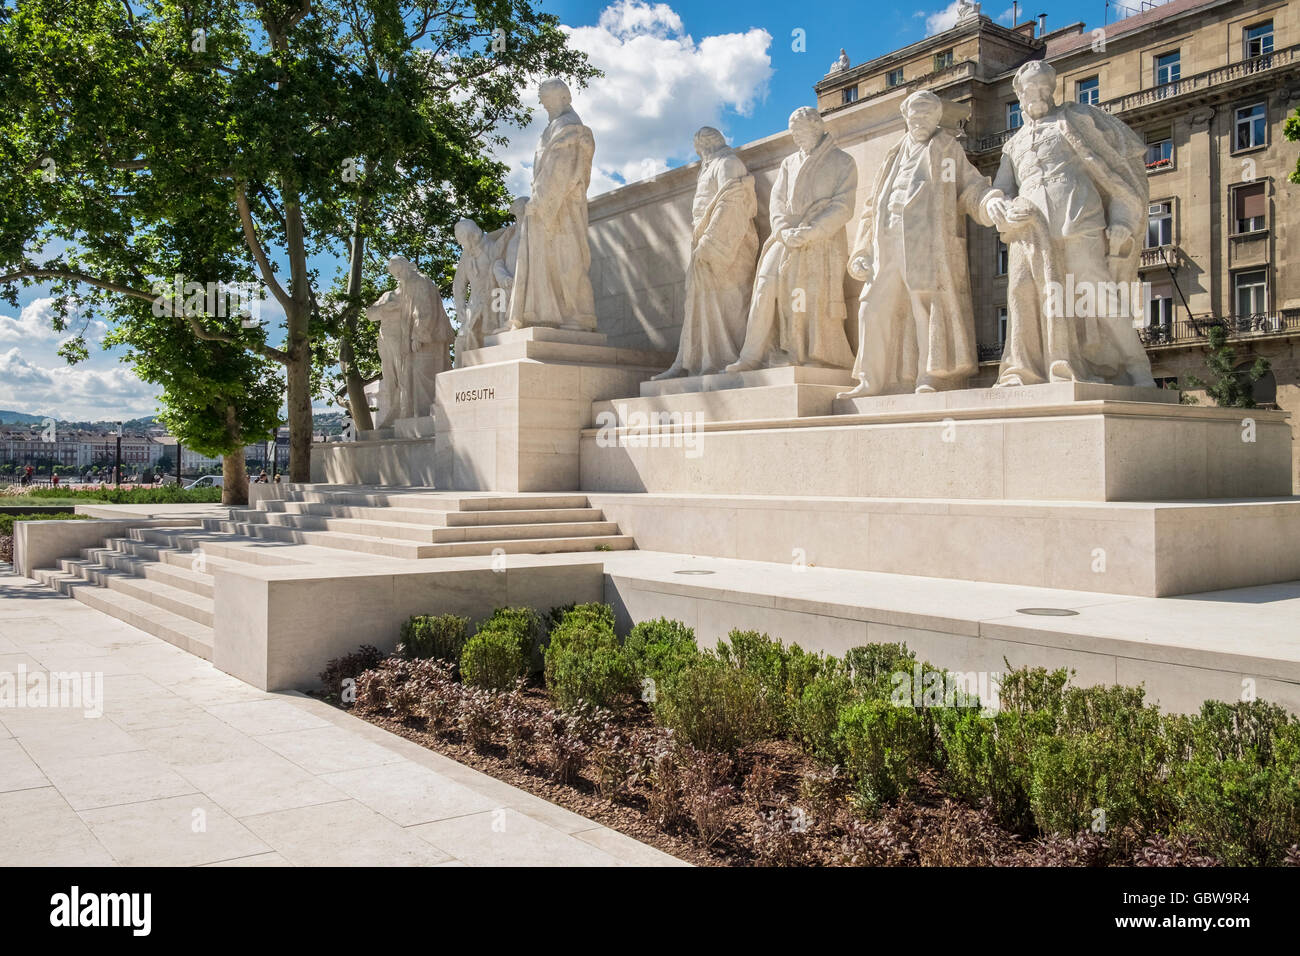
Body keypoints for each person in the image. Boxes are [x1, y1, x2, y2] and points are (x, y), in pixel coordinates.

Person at [839, 90, 1001, 397]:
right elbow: (873, 205)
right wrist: (861, 249)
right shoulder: (893, 153)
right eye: (916, 113)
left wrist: (990, 200)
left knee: (925, 308)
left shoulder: (947, 148)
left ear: (939, 118)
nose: (921, 119)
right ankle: (870, 379)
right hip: (885, 241)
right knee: (870, 308)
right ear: (906, 116)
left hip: (925, 244)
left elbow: (970, 186)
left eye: (928, 114)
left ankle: (931, 375)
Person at [726, 107, 858, 372]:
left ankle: (799, 351)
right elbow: (777, 201)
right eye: (793, 132)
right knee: (764, 285)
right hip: (785, 236)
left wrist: (813, 231)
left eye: (800, 131)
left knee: (801, 295)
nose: (796, 137)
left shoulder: (842, 161)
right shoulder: (789, 162)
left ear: (817, 127)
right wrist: (783, 229)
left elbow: (844, 205)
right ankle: (752, 353)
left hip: (820, 239)